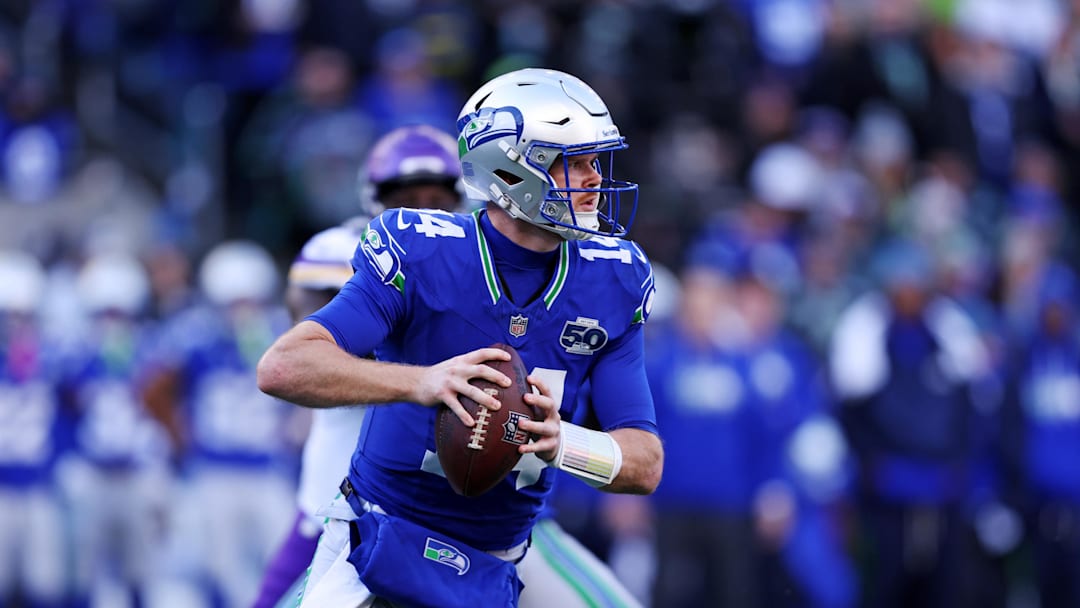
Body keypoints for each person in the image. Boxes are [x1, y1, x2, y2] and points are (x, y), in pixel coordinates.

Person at [256, 68, 663, 608]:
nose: (593, 179)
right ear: (514, 169)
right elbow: (282, 367)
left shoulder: (613, 277)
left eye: (594, 161)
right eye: (575, 162)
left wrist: (564, 442)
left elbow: (644, 460)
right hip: (379, 538)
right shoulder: (424, 250)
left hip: (503, 555)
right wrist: (423, 381)